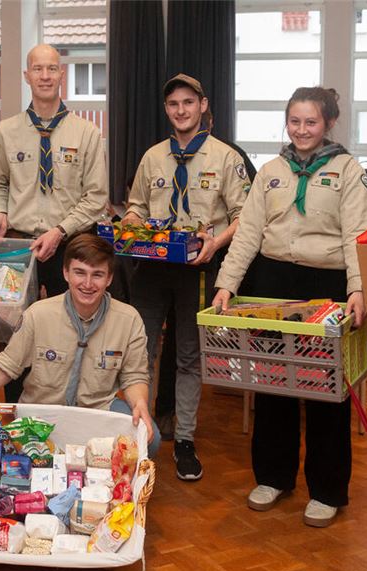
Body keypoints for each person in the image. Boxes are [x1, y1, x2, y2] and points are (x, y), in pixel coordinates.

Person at [212, 86, 367, 527]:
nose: (302, 130)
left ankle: (326, 489)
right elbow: (248, 234)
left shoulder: (348, 172)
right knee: (273, 385)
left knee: (325, 391)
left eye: (311, 122)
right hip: (273, 283)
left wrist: (358, 289)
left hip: (327, 285)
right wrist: (228, 284)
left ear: (329, 124)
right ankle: (274, 476)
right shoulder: (270, 172)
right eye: (295, 121)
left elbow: (358, 235)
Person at [121, 73, 249, 480]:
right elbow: (136, 206)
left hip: (198, 268)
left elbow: (243, 217)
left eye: (188, 103)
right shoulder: (153, 157)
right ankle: (136, 433)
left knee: (190, 357)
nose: (181, 110)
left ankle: (187, 440)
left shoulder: (226, 158)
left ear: (203, 105)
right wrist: (130, 222)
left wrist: (215, 244)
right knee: (141, 351)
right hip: (152, 267)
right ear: (167, 110)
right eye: (174, 104)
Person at [0, 234, 158, 457]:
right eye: (80, 273)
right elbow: (4, 368)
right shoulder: (38, 314)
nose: (88, 284)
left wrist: (139, 404)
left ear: (109, 279)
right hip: (41, 414)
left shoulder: (128, 319)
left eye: (97, 275)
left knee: (150, 438)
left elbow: (134, 377)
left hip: (96, 412)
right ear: (66, 272)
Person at [0, 43, 108, 402]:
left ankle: (61, 409)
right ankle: (14, 412)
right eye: (37, 69)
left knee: (66, 331)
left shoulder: (86, 133)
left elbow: (96, 197)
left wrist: (60, 231)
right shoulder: (6, 131)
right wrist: (0, 212)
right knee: (15, 333)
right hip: (18, 247)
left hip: (68, 246)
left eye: (51, 69)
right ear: (27, 76)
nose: (44, 75)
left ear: (61, 75)